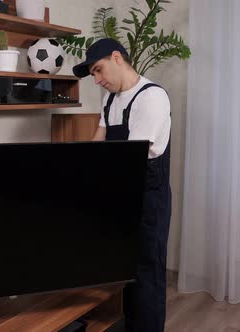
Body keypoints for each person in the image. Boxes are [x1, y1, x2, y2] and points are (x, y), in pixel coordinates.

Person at [72, 38, 172, 332]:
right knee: (128, 272)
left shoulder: (151, 97)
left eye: (99, 70)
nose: (97, 79)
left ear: (117, 57)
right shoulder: (110, 100)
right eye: (93, 75)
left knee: (147, 274)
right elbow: (98, 146)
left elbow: (130, 160)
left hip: (148, 201)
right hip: (122, 195)